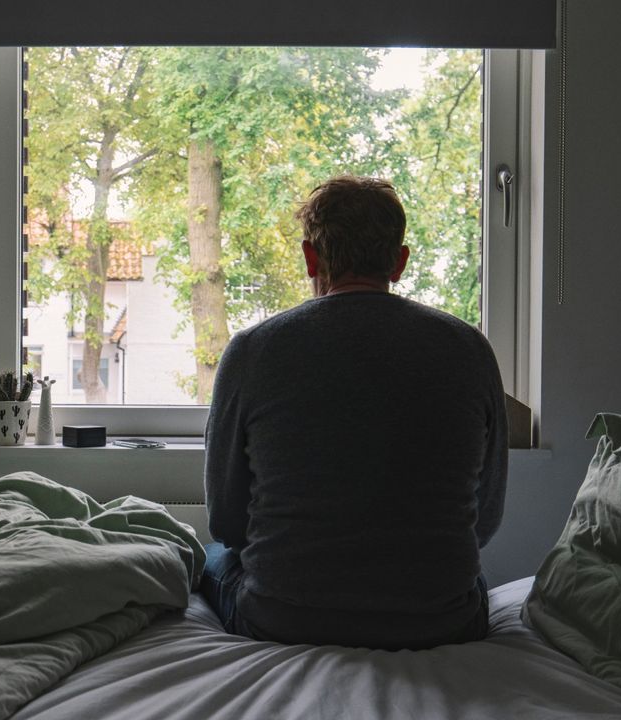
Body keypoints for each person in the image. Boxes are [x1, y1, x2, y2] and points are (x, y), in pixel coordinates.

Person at [201, 175, 508, 650]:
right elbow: (484, 519)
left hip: (284, 618)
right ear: (399, 262)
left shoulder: (252, 351)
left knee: (211, 557)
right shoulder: (470, 349)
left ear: (310, 258)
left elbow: (225, 521)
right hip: (440, 622)